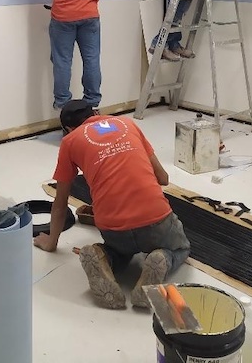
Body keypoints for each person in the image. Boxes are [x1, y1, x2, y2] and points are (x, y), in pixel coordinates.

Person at [33, 100, 191, 310]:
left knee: (121, 253)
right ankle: (161, 258)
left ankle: (104, 257)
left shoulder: (70, 141)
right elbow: (163, 178)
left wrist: (51, 243)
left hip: (113, 227)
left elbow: (60, 202)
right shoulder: (127, 123)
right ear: (95, 113)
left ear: (68, 129)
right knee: (181, 247)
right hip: (155, 219)